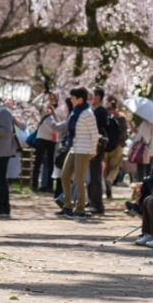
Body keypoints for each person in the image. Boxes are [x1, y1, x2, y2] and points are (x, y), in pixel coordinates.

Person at [57, 87, 98, 219]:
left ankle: (80, 209)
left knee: (79, 180)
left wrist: (93, 150)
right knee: (64, 176)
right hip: (74, 148)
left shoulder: (88, 113)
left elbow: (94, 134)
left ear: (80, 99)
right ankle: (67, 206)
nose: (71, 99)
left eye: (73, 97)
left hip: (84, 150)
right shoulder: (75, 112)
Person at [31, 92, 60, 192]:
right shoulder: (43, 108)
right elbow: (34, 103)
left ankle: (49, 186)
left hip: (52, 140)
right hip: (41, 138)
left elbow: (59, 123)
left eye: (54, 99)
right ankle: (34, 185)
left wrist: (53, 111)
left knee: (51, 163)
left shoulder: (58, 110)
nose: (51, 100)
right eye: (50, 98)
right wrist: (42, 94)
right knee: (38, 162)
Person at [87, 86, 108, 214]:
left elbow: (97, 131)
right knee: (93, 176)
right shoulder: (98, 111)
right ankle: (93, 202)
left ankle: (97, 204)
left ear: (98, 98)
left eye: (92, 97)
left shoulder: (100, 112)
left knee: (95, 176)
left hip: (96, 147)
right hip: (96, 146)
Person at [103, 96, 128, 199]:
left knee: (105, 168)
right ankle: (109, 181)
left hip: (105, 146)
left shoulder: (104, 115)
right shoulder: (121, 117)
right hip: (118, 146)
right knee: (115, 167)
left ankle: (105, 184)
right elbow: (125, 133)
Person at [132, 117, 153, 182]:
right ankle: (147, 184)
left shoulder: (146, 123)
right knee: (149, 168)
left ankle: (140, 184)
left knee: (141, 167)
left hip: (144, 149)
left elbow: (145, 138)